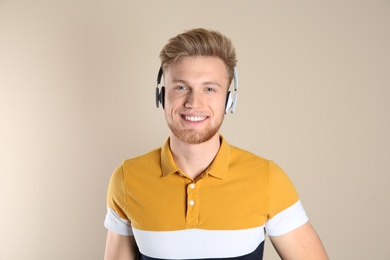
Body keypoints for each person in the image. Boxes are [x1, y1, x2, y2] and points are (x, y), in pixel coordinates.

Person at [103, 28, 328, 260]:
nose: (193, 102)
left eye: (209, 89)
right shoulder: (127, 178)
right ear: (161, 95)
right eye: (181, 87)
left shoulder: (267, 178)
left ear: (229, 100)